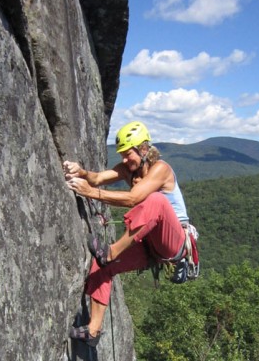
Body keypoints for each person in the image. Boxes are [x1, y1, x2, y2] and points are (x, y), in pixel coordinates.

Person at [63, 120, 191, 346]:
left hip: (174, 243)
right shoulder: (129, 169)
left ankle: (110, 252)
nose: (124, 159)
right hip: (151, 245)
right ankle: (93, 330)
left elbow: (134, 198)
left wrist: (91, 193)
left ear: (143, 149)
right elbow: (98, 178)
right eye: (122, 154)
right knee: (101, 266)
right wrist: (80, 172)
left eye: (128, 154)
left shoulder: (161, 169)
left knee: (156, 200)